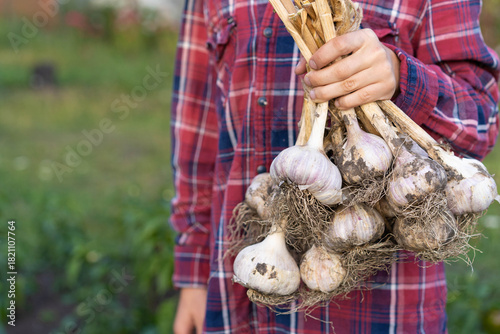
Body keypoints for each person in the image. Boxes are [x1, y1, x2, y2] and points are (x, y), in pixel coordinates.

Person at [170, 0, 499, 333]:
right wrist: (194, 272)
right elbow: (197, 131)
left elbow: (481, 122)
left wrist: (401, 78)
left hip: (380, 305)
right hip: (234, 295)